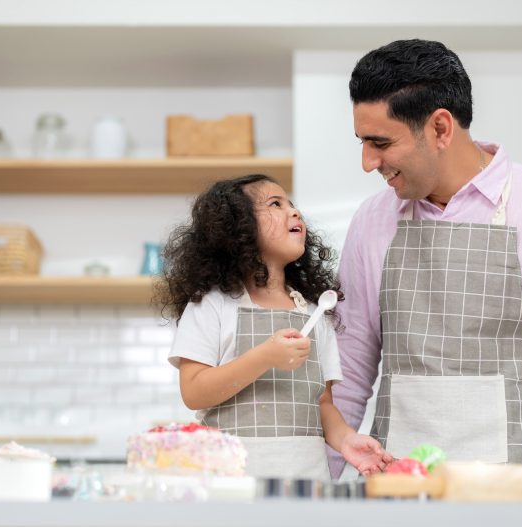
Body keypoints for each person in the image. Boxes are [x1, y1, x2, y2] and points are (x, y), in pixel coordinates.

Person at [330, 39, 522, 476]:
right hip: (399, 499)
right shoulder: (372, 221)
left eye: (380, 142)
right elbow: (348, 373)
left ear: (440, 129)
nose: (367, 162)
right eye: (363, 142)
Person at [159, 174, 393, 480]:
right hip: (231, 482)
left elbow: (322, 404)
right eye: (275, 204)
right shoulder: (211, 305)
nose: (294, 212)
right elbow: (194, 391)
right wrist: (264, 357)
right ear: (236, 228)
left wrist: (347, 440)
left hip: (307, 479)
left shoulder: (315, 312)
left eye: (292, 205)